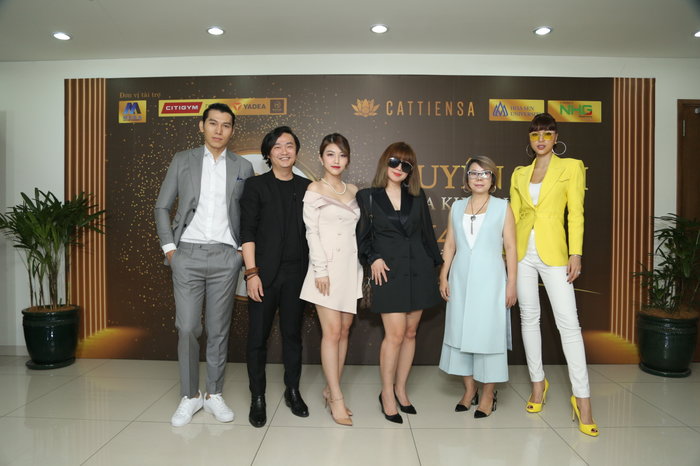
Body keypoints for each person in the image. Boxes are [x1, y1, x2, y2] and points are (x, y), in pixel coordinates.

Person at [154, 103, 254, 427]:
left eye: (226, 125)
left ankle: (213, 394)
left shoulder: (243, 166)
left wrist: (239, 253)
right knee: (187, 328)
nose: (218, 130)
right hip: (187, 255)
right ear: (202, 126)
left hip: (226, 257)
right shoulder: (182, 160)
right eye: (213, 123)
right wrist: (171, 250)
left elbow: (249, 214)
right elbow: (161, 206)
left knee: (218, 329)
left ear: (232, 130)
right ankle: (189, 395)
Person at [510, 112, 599, 436]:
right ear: (529, 139)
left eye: (547, 133)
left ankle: (583, 400)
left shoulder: (571, 167)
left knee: (569, 326)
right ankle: (538, 385)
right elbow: (515, 216)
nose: (541, 139)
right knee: (528, 319)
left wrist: (576, 252)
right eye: (535, 134)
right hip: (523, 254)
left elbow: (576, 213)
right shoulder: (519, 173)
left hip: (555, 254)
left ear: (555, 137)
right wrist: (508, 256)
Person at [356, 142, 442, 424]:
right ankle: (387, 394)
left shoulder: (417, 197)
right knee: (394, 335)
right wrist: (373, 258)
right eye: (395, 161)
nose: (399, 168)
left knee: (410, 334)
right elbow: (362, 238)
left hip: (419, 271)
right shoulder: (368, 197)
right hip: (388, 273)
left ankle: (401, 389)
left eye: (406, 165)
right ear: (385, 162)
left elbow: (427, 237)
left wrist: (440, 270)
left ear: (411, 171)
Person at [240, 126, 311, 428]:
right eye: (278, 146)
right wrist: (251, 273)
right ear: (268, 152)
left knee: (293, 336)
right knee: (258, 338)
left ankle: (292, 390)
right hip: (263, 276)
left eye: (290, 145)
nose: (284, 151)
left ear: (297, 151)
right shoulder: (256, 186)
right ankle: (257, 396)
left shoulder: (308, 188)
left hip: (297, 275)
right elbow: (247, 232)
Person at [438, 156, 517, 418]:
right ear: (467, 179)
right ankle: (469, 390)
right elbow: (450, 245)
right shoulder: (457, 207)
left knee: (488, 336)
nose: (479, 178)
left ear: (493, 178)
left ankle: (487, 395)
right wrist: (444, 276)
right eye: (474, 173)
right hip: (460, 278)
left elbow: (511, 248)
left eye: (485, 173)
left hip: (491, 280)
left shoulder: (502, 207)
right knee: (461, 334)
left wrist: (511, 284)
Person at [299, 133, 362, 427]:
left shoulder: (354, 191)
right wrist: (320, 270)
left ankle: (329, 387)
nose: (337, 160)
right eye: (331, 154)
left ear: (347, 159)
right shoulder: (314, 189)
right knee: (332, 331)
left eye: (342, 155)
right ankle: (336, 397)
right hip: (325, 270)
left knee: (345, 330)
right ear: (321, 158)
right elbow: (311, 232)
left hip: (351, 267)